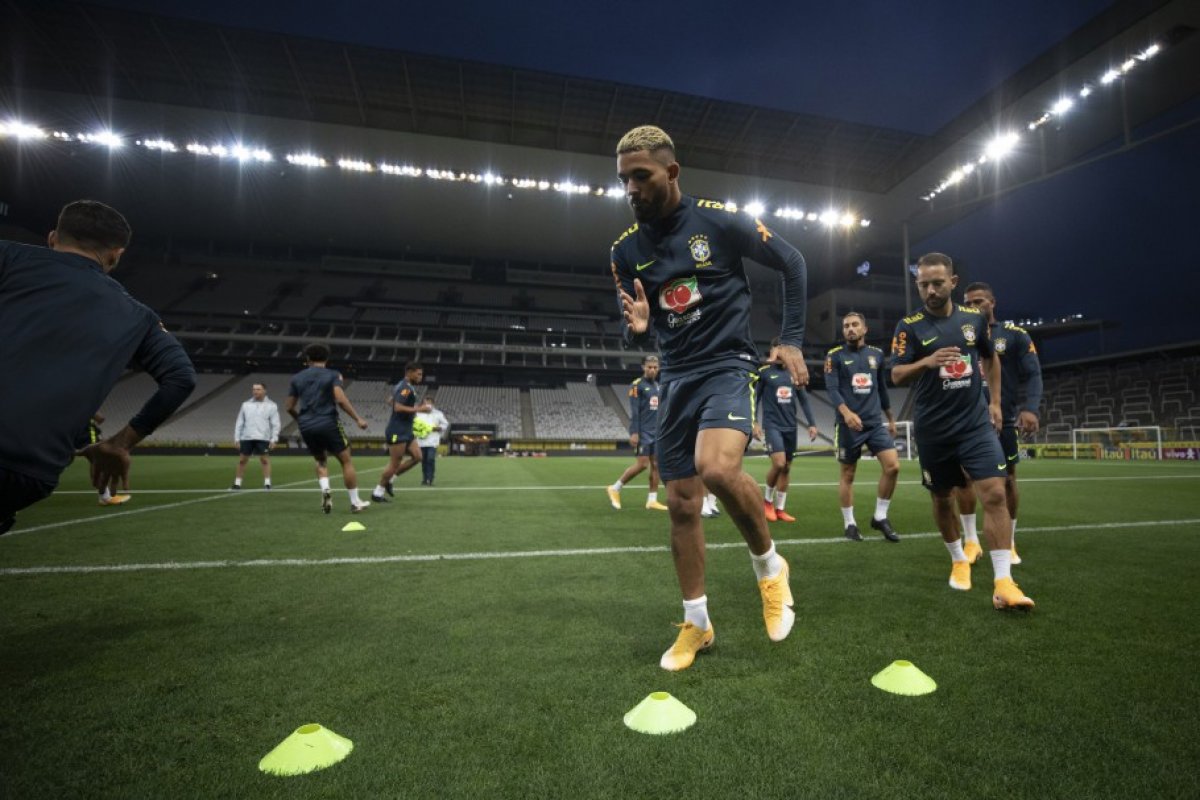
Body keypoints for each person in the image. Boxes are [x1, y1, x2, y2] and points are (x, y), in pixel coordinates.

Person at [610, 125, 809, 671]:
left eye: (641, 176)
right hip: (674, 376)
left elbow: (792, 262)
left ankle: (770, 569)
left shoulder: (720, 221)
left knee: (716, 469)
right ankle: (697, 625)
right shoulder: (624, 251)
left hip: (727, 365)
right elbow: (632, 329)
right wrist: (640, 327)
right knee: (680, 505)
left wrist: (790, 338)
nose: (631, 188)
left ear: (672, 173)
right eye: (623, 179)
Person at [0, 200, 196, 535]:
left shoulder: (8, 257)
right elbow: (181, 377)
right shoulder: (139, 316)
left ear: (52, 237)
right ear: (115, 255)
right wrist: (120, 443)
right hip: (28, 471)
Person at [889, 253, 1034, 610]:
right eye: (924, 284)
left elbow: (991, 358)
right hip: (933, 429)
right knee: (942, 498)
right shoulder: (908, 326)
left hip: (974, 426)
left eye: (938, 282)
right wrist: (926, 362)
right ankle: (957, 558)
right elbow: (895, 375)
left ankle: (1004, 582)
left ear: (953, 282)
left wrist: (995, 402)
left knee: (996, 494)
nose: (931, 290)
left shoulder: (973, 319)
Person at [953, 283, 1043, 565]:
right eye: (968, 302)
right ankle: (971, 541)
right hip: (965, 418)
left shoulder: (1015, 335)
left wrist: (1030, 408)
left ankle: (1010, 540)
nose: (974, 306)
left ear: (993, 302)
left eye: (979, 301)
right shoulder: (957, 333)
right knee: (962, 479)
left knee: (1008, 479)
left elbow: (1034, 373)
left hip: (1001, 417)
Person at [825, 312, 901, 542]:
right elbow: (832, 388)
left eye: (855, 325)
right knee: (848, 474)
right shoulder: (835, 356)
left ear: (864, 329)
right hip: (848, 426)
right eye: (846, 326)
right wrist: (846, 413)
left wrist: (890, 418)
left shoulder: (876, 355)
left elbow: (882, 388)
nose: (850, 329)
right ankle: (850, 523)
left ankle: (880, 516)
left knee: (893, 467)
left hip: (874, 424)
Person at [286, 343, 370, 513]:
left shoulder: (297, 378)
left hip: (306, 425)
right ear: (327, 358)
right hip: (328, 422)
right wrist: (357, 419)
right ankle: (355, 502)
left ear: (308, 359)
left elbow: (288, 407)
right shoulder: (333, 374)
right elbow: (340, 399)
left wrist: (301, 420)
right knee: (346, 461)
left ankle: (325, 489)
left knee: (320, 460)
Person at [754, 338, 819, 524]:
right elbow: (755, 398)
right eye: (780, 348)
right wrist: (754, 422)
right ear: (774, 350)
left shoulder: (794, 372)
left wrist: (812, 423)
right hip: (772, 425)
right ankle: (767, 502)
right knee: (779, 464)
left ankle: (780, 508)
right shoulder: (764, 372)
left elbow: (804, 399)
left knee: (787, 468)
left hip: (790, 426)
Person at [606, 355, 669, 511]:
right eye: (649, 367)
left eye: (655, 367)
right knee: (642, 464)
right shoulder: (637, 385)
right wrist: (634, 432)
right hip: (643, 433)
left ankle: (652, 500)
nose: (652, 370)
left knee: (656, 465)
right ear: (643, 367)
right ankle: (615, 488)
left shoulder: (658, 386)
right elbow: (634, 412)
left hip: (656, 433)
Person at [372, 362, 431, 502]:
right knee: (394, 463)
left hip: (406, 428)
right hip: (397, 430)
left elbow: (390, 401)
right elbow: (397, 407)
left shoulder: (404, 386)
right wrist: (419, 409)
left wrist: (413, 409)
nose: (421, 377)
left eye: (421, 374)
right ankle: (377, 493)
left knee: (417, 457)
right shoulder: (405, 388)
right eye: (418, 373)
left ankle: (391, 479)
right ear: (409, 372)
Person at [231, 382, 281, 490]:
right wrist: (237, 438)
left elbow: (275, 423)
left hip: (263, 437)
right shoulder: (245, 404)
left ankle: (267, 483)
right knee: (242, 461)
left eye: (258, 389)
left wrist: (274, 439)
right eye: (254, 389)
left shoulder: (272, 405)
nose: (255, 391)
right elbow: (239, 422)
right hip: (246, 437)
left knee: (264, 460)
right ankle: (237, 483)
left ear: (264, 391)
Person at [75, 412, 132, 507]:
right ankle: (105, 497)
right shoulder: (83, 402)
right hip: (87, 436)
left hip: (79, 434)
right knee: (98, 463)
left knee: (95, 462)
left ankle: (104, 496)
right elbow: (100, 418)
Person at [415, 396, 449, 486]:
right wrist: (419, 429)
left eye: (429, 403)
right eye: (425, 402)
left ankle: (430, 479)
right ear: (423, 403)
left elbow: (445, 423)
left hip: (432, 440)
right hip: (421, 440)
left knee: (430, 459)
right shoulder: (418, 413)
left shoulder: (438, 413)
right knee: (423, 460)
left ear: (433, 404)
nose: (427, 404)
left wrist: (439, 428)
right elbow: (414, 425)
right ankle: (424, 479)